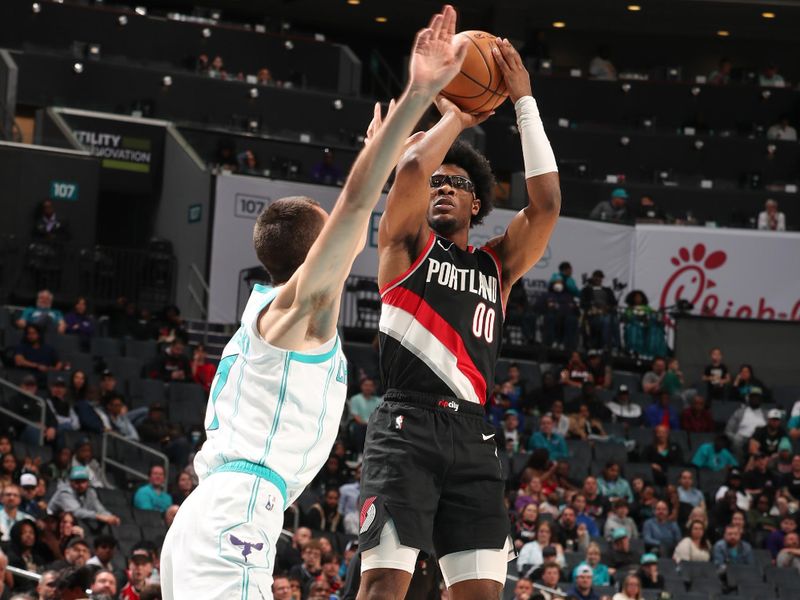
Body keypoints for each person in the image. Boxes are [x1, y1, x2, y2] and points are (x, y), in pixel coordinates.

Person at [161, 11, 469, 599]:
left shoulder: (272, 316)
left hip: (216, 509)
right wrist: (420, 93)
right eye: (330, 241)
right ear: (313, 257)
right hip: (237, 508)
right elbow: (352, 212)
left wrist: (381, 156)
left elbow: (351, 225)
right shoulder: (297, 311)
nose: (346, 246)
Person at [46, 466, 120, 528]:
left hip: (69, 524)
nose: (81, 485)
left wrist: (110, 517)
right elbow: (77, 512)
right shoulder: (65, 492)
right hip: (52, 522)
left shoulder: (90, 492)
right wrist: (99, 517)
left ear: (88, 482)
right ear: (71, 482)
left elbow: (99, 508)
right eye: (77, 482)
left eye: (83, 481)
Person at [579, 271, 619, 351]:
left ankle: (615, 346)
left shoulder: (607, 290)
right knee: (607, 320)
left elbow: (614, 304)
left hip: (606, 313)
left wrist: (608, 308)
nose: (598, 278)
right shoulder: (586, 290)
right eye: (596, 276)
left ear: (602, 279)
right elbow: (582, 304)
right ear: (592, 277)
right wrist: (592, 307)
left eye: (600, 277)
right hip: (592, 316)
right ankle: (606, 345)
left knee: (613, 320)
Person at [537, 279, 579, 350]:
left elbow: (574, 309)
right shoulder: (546, 295)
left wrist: (563, 307)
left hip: (565, 317)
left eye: (560, 283)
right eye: (556, 283)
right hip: (551, 315)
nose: (558, 284)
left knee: (572, 320)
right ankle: (551, 342)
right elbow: (538, 306)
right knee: (550, 318)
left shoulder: (568, 296)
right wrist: (548, 307)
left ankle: (566, 344)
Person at [348, 378, 383, 452]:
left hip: (375, 424)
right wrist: (367, 424)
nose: (368, 387)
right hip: (361, 424)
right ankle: (360, 453)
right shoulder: (355, 399)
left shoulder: (379, 400)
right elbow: (355, 416)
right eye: (366, 385)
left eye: (370, 385)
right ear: (361, 386)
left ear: (374, 387)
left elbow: (381, 416)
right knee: (359, 428)